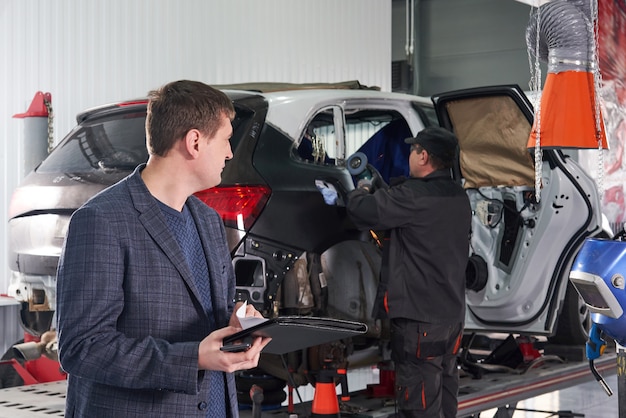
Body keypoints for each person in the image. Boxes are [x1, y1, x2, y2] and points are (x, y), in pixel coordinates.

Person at [56, 80, 270, 417]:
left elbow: (209, 316)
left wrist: (239, 323)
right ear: (194, 142)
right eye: (227, 139)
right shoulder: (102, 220)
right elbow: (83, 348)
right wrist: (193, 357)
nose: (230, 153)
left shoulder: (208, 221)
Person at [346, 126, 471, 418]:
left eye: (413, 150)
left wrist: (361, 188)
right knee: (444, 391)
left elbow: (362, 212)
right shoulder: (458, 196)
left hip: (419, 318)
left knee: (418, 402)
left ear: (424, 156)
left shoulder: (412, 196)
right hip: (452, 316)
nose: (410, 155)